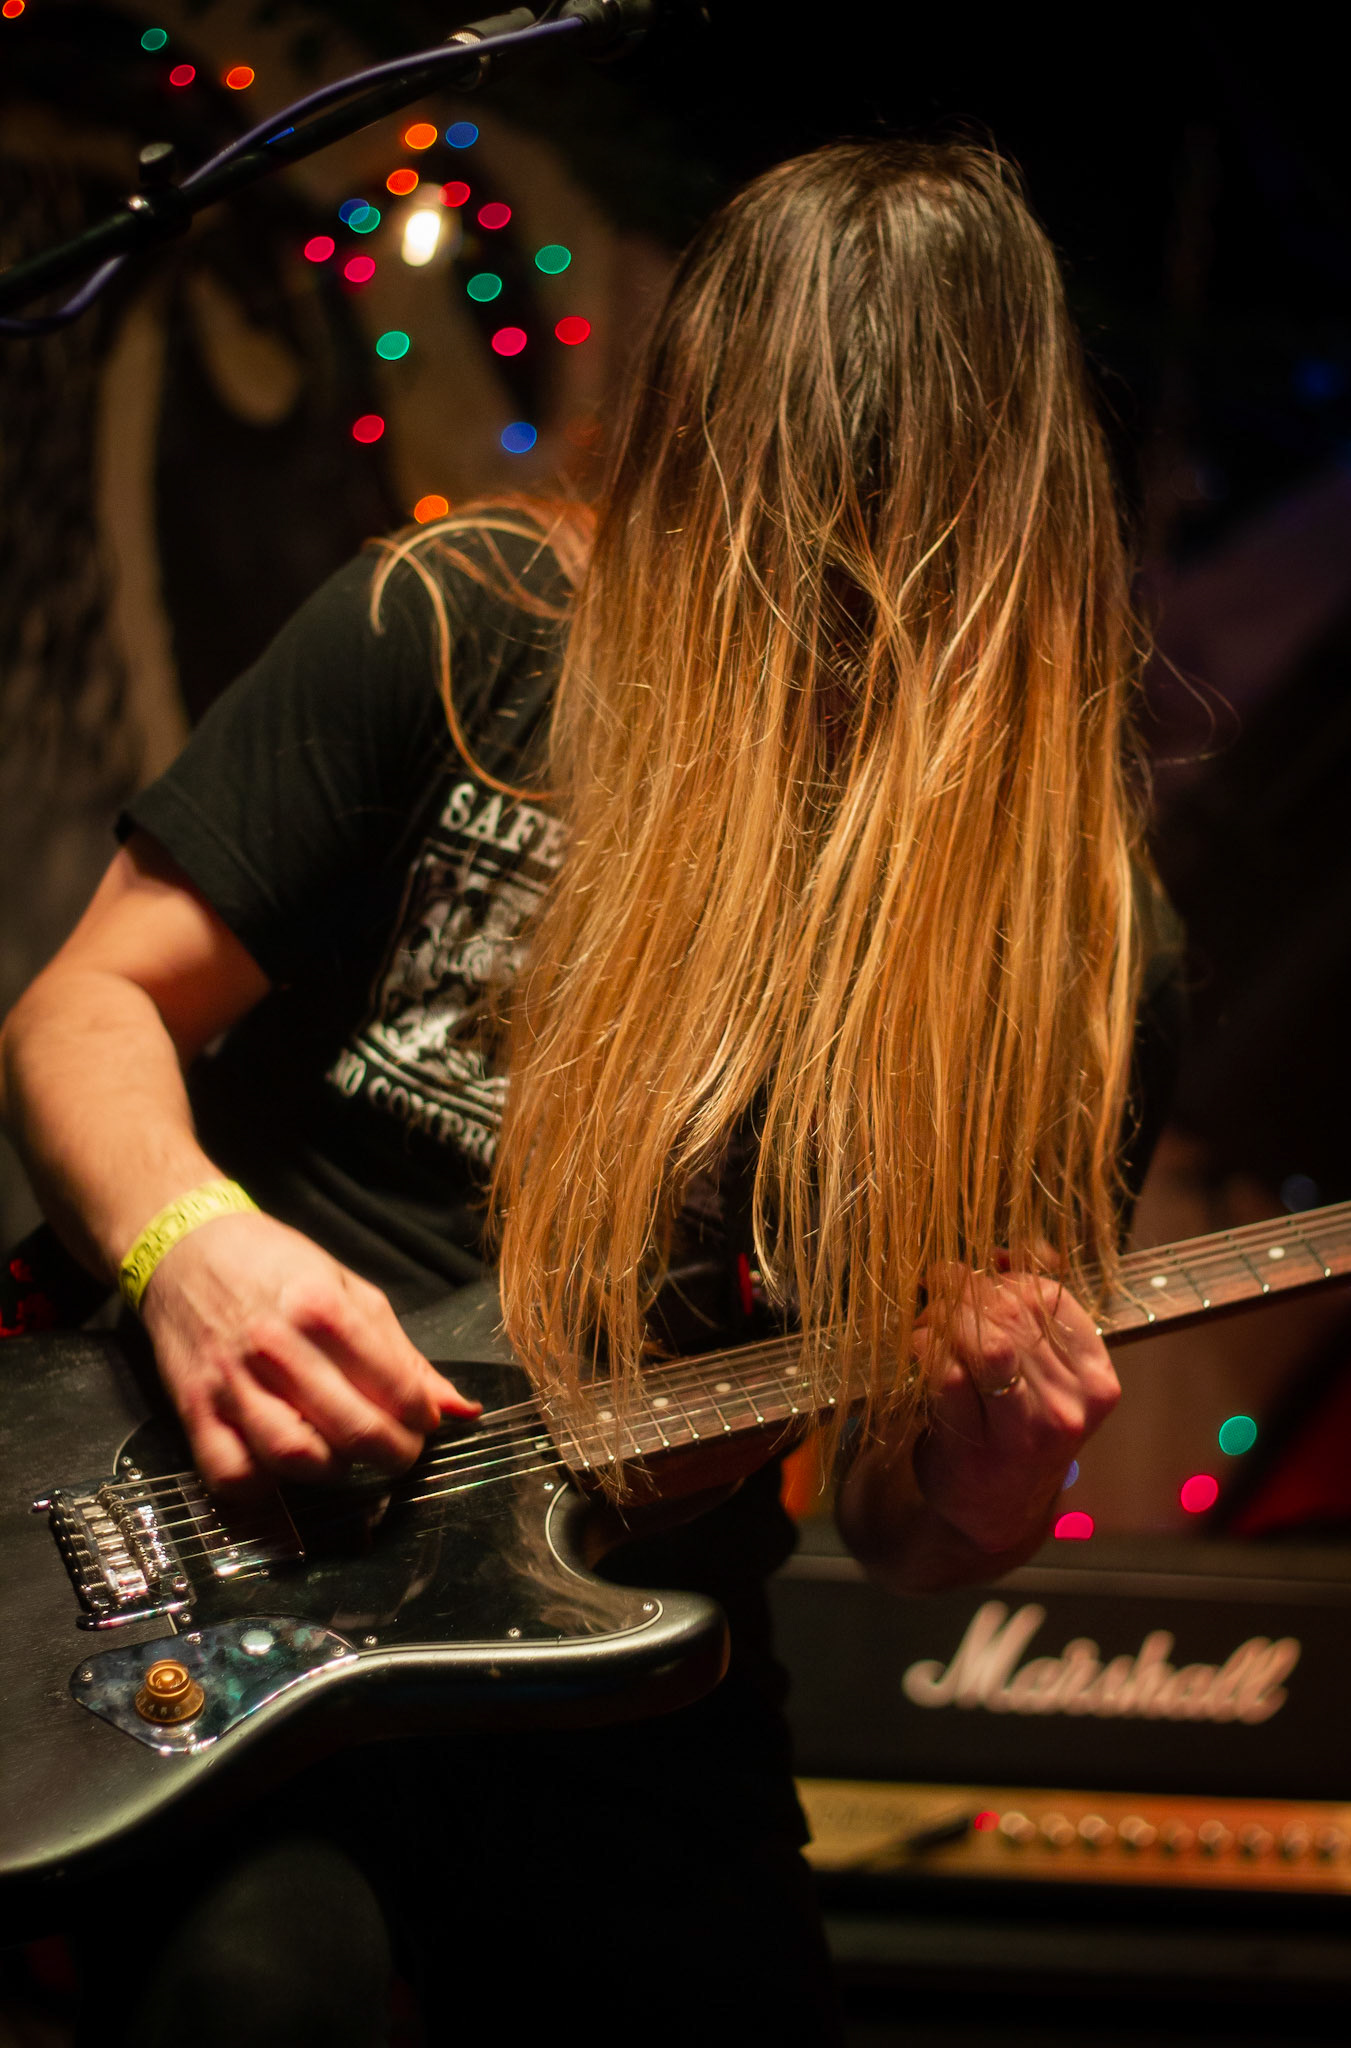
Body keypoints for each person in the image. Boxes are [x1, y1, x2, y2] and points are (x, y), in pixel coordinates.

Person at [1, 141, 1150, 2046]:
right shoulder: (458, 624)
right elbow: (87, 1005)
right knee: (254, 2002)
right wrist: (192, 1251)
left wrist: (995, 1470)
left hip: (621, 1648)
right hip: (223, 1540)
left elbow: (905, 1527)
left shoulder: (1071, 946)